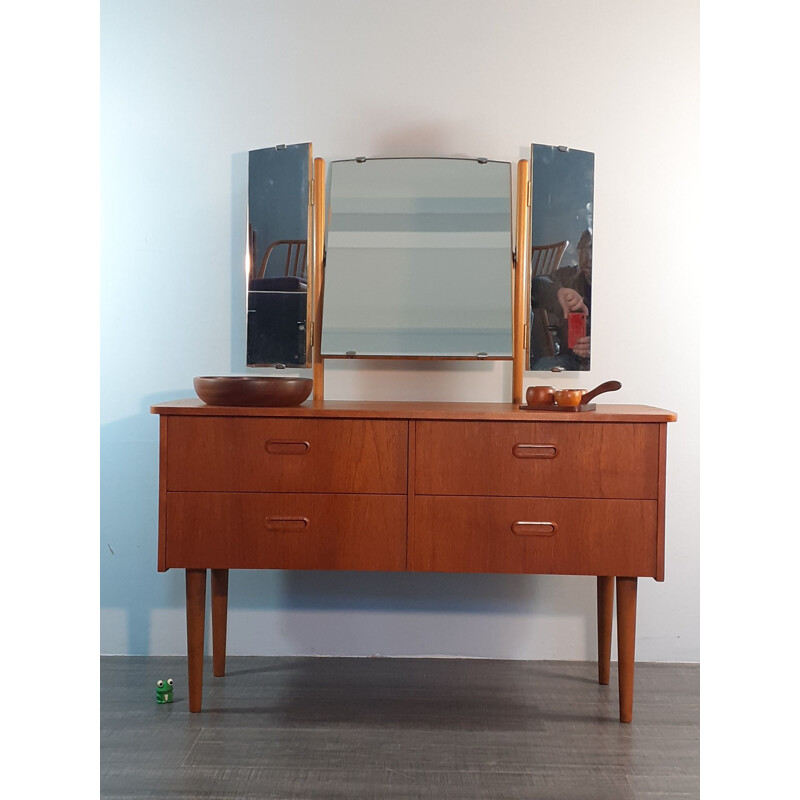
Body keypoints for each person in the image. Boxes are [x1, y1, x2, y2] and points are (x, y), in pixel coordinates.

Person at [530, 229, 592, 370]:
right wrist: (557, 292)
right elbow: (536, 285)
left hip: (605, 365)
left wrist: (600, 347)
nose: (587, 258)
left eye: (593, 249)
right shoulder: (568, 275)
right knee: (538, 370)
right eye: (582, 250)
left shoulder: (617, 289)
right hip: (567, 360)